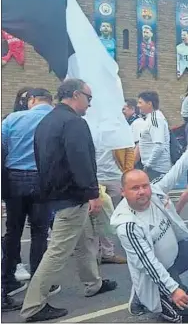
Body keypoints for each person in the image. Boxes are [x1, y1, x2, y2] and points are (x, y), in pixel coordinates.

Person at [20, 79, 117, 322]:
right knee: (58, 251)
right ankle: (33, 305)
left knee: (84, 240)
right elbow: (81, 160)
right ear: (76, 95)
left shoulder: (47, 121)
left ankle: (92, 283)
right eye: (89, 98)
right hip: (73, 195)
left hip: (57, 194)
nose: (89, 104)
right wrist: (93, 192)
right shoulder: (74, 123)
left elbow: (42, 160)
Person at [111, 130, 188, 323]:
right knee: (187, 314)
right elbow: (149, 264)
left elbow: (178, 169)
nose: (142, 192)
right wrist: (174, 290)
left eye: (144, 186)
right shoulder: (128, 225)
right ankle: (146, 296)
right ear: (123, 192)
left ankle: (163, 287)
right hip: (157, 267)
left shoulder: (154, 192)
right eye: (135, 188)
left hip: (174, 257)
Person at [1, 89, 56, 298]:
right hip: (42, 179)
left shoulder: (13, 118)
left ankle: (7, 280)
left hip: (14, 179)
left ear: (32, 100)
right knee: (39, 233)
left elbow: (1, 149)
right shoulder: (54, 119)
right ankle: (38, 283)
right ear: (50, 101)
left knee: (13, 231)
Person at [137, 91, 172, 181]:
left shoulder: (155, 119)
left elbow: (159, 145)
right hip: (154, 168)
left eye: (140, 102)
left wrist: (148, 165)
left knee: (157, 193)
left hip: (156, 169)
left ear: (149, 104)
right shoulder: (151, 118)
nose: (138, 105)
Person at [123, 98, 147, 169]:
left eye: (124, 109)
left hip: (137, 166)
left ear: (132, 109)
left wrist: (129, 166)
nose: (121, 112)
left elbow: (138, 147)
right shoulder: (130, 123)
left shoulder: (138, 123)